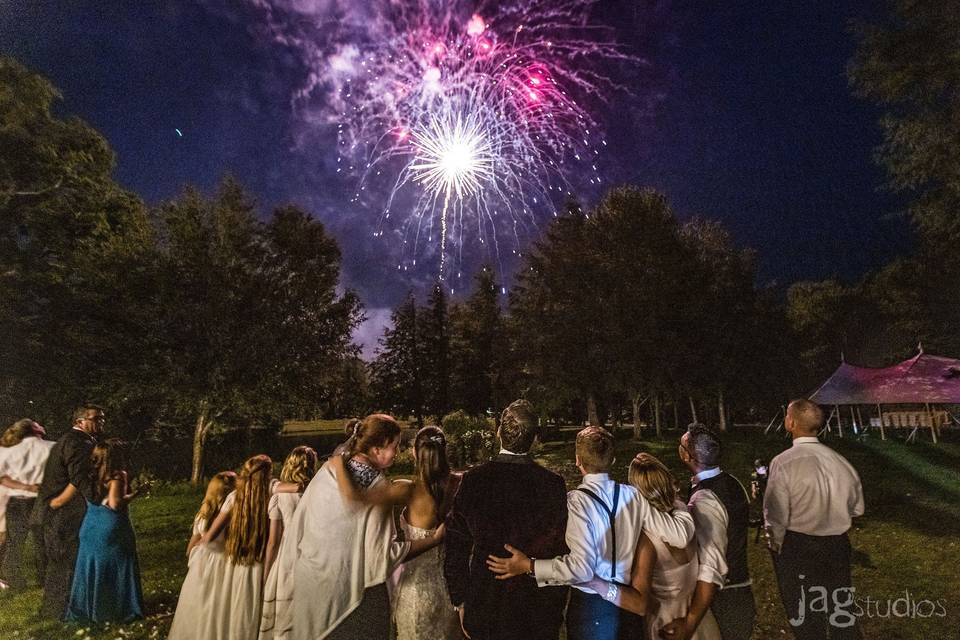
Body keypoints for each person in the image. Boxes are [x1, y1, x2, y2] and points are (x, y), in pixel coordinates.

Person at [487, 427, 696, 640]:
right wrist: (678, 503)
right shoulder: (634, 496)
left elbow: (581, 569)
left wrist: (529, 566)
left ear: (578, 460)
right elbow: (680, 536)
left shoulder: (576, 503)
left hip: (592, 608)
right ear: (613, 460)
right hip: (628, 605)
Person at [285, 414, 444, 640]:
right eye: (394, 446)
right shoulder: (378, 488)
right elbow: (382, 556)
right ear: (377, 449)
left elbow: (301, 524)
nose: (397, 453)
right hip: (354, 599)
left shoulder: (327, 471)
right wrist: (434, 539)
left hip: (311, 589)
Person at [444, 400, 569, 640]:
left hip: (486, 606)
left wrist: (460, 600)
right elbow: (560, 548)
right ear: (534, 438)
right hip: (536, 610)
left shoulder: (474, 480)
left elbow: (456, 546)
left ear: (498, 431)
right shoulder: (552, 485)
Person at [332, 425, 462, 640]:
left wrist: (338, 464)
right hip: (452, 593)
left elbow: (354, 499)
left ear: (414, 452)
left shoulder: (407, 490)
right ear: (444, 450)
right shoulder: (460, 483)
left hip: (417, 594)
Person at [582, 453, 723, 640]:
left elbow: (639, 604)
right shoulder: (686, 514)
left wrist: (595, 582)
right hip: (699, 620)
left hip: (666, 626)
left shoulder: (647, 541)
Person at [764, 399, 864, 640]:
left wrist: (775, 541)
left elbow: (776, 512)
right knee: (840, 608)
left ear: (791, 422)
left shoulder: (784, 462)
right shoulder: (840, 461)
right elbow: (857, 508)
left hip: (799, 546)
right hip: (837, 545)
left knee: (804, 612)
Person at [660, 424, 756, 640]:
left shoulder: (704, 500)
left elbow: (710, 565)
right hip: (740, 591)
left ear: (686, 456)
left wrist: (690, 622)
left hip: (721, 600)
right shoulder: (733, 482)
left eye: (681, 445)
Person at [169, 455, 274, 640]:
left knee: (221, 608)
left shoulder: (235, 499)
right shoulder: (272, 497)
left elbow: (209, 537)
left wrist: (198, 548)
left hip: (233, 560)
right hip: (257, 561)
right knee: (242, 611)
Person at [33, 404, 104, 619]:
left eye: (102, 418)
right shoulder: (78, 443)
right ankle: (59, 612)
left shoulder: (75, 440)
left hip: (55, 511)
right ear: (80, 421)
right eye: (96, 418)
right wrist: (98, 499)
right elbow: (79, 477)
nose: (101, 422)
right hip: (61, 513)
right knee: (64, 561)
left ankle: (56, 610)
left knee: (60, 562)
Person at [65, 438, 144, 622]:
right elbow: (115, 504)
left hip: (90, 525)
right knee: (118, 566)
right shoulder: (117, 475)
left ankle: (88, 609)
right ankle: (116, 610)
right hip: (112, 526)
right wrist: (137, 493)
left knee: (91, 567)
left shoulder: (88, 474)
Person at [167, 471, 237, 637]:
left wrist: (190, 556)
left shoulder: (204, 513)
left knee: (199, 599)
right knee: (217, 602)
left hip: (203, 560)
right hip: (222, 561)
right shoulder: (231, 514)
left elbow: (195, 537)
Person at [259, 446, 319, 640]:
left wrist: (267, 573)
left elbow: (273, 542)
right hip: (314, 553)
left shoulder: (280, 497)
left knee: (285, 608)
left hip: (287, 556)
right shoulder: (318, 493)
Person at [0, 419, 53, 590]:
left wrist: (24, 486)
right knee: (42, 541)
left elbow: (2, 478)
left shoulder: (7, 451)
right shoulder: (52, 447)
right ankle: (44, 579)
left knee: (15, 542)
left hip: (16, 501)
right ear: (35, 430)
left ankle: (15, 580)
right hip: (41, 500)